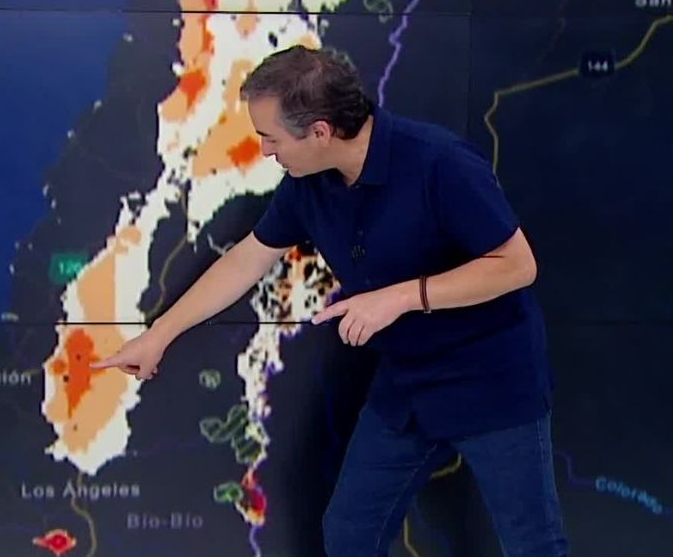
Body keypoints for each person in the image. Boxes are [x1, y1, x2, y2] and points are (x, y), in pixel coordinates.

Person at [91, 45, 569, 556]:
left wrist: (401, 298)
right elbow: (246, 261)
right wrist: (159, 335)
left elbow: (516, 265)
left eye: (271, 138)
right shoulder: (308, 184)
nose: (266, 151)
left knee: (532, 545)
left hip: (491, 377)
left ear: (320, 132)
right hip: (408, 382)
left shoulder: (440, 162)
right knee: (350, 532)